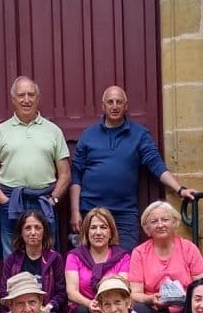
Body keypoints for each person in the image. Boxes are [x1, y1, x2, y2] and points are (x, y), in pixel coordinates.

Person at [69, 86, 196, 250]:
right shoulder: (88, 135)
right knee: (91, 266)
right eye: (110, 102)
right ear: (103, 106)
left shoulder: (139, 134)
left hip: (124, 215)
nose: (114, 106)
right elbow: (76, 174)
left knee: (125, 263)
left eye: (119, 102)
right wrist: (74, 211)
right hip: (92, 212)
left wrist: (180, 190)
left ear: (126, 105)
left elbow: (156, 164)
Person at [0, 76, 69, 257]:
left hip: (44, 200)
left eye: (31, 95)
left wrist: (54, 199)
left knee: (47, 251)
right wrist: (1, 198)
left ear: (38, 98)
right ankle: (14, 286)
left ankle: (47, 285)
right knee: (11, 252)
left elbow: (65, 173)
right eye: (21, 95)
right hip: (11, 200)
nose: (26, 100)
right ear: (13, 99)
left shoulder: (53, 131)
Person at [128, 200, 203, 313]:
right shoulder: (139, 253)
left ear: (174, 222)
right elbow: (135, 293)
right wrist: (150, 299)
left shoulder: (188, 248)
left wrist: (186, 299)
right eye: (154, 222)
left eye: (165, 219)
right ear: (147, 229)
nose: (160, 225)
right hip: (153, 309)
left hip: (186, 307)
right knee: (139, 310)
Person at [64, 207, 132, 313]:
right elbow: (71, 291)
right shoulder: (75, 256)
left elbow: (123, 287)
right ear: (86, 232)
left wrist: (106, 306)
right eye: (93, 227)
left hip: (114, 306)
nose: (98, 232)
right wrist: (90, 304)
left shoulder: (122, 257)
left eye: (103, 227)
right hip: (85, 308)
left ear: (111, 232)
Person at [0, 209, 67, 313]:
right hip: (18, 312)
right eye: (28, 228)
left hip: (47, 312)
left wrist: (49, 306)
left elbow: (61, 293)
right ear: (21, 232)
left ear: (44, 231)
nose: (33, 232)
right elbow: (4, 292)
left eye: (37, 228)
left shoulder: (55, 258)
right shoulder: (12, 260)